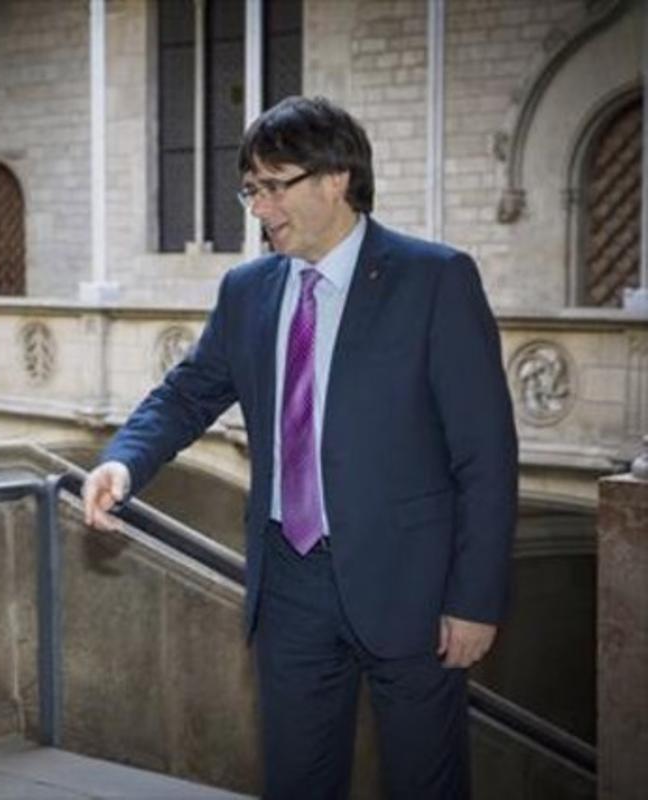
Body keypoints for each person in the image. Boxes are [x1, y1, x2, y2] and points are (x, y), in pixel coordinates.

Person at [82, 96, 517, 799]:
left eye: (273, 185)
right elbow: (187, 394)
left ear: (335, 178)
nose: (258, 207)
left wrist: (475, 600)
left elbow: (485, 456)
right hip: (289, 584)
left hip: (413, 586)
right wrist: (121, 461)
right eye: (250, 189)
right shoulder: (246, 290)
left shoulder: (435, 279)